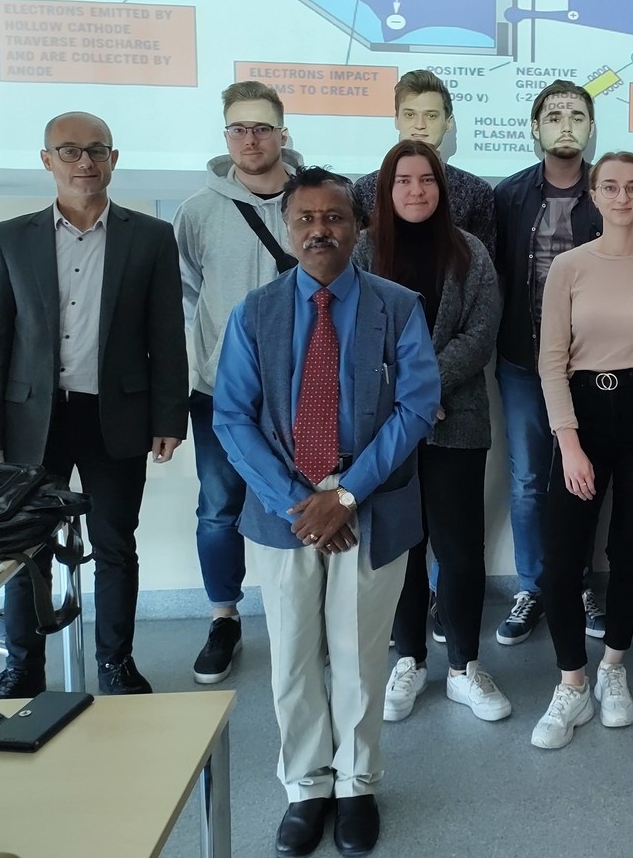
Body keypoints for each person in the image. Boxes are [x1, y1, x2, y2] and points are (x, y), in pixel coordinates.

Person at [214, 166, 440, 858]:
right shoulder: (255, 312)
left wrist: (344, 496)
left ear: (358, 226)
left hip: (371, 503)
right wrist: (302, 505)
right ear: (287, 228)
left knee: (360, 656)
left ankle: (356, 784)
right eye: (306, 218)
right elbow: (232, 415)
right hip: (283, 509)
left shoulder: (397, 307)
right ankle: (306, 786)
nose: (320, 230)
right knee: (291, 658)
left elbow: (417, 407)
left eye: (335, 217)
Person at [0, 112, 187, 699]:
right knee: (26, 548)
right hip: (31, 421)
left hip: (115, 416)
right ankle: (23, 667)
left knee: (115, 545)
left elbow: (167, 334)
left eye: (96, 150)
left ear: (114, 159)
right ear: (47, 161)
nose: (84, 162)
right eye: (69, 151)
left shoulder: (150, 236)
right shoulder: (9, 238)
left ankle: (115, 663)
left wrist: (169, 417)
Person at [530, 151, 633, 749]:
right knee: (560, 560)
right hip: (581, 422)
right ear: (594, 195)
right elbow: (551, 362)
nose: (622, 196)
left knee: (629, 552)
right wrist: (569, 444)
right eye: (610, 186)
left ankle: (613, 668)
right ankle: (572, 683)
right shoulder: (568, 267)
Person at [354, 140, 509, 726]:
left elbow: (481, 333)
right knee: (402, 547)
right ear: (385, 189)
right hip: (386, 426)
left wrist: (422, 390)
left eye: (426, 180)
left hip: (456, 420)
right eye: (403, 180)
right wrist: (408, 399)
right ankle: (409, 660)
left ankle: (465, 666)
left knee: (459, 548)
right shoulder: (365, 250)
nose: (416, 190)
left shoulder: (470, 251)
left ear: (441, 189)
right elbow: (356, 334)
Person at [173, 80, 303, 685]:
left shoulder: (314, 199)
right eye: (239, 129)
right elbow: (186, 295)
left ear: (282, 133)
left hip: (304, 391)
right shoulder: (198, 211)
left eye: (262, 128)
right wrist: (214, 356)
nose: (251, 140)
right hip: (220, 392)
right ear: (226, 135)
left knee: (305, 500)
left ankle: (306, 619)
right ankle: (224, 618)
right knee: (219, 508)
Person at [491, 79, 605, 644]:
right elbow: (494, 278)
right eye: (554, 116)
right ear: (535, 129)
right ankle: (533, 587)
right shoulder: (509, 195)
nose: (566, 124)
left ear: (591, 129)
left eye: (577, 116)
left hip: (591, 364)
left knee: (580, 477)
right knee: (529, 479)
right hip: (522, 362)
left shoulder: (609, 191)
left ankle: (575, 582)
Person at [352, 68, 495, 253]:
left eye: (431, 116)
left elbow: (484, 264)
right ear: (396, 120)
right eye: (410, 115)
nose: (420, 125)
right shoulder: (364, 189)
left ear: (448, 122)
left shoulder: (477, 193)